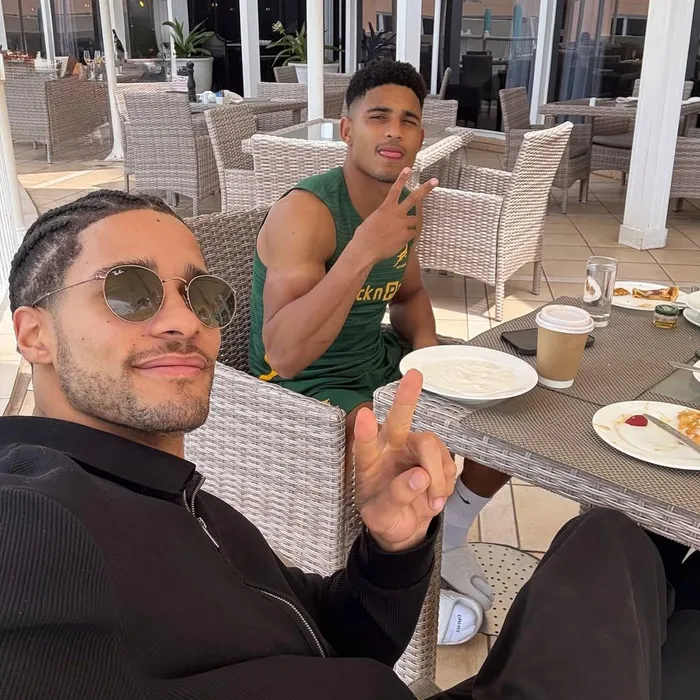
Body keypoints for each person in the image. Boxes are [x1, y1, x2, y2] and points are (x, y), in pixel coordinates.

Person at [2, 190, 697, 700]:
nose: (183, 320)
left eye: (202, 295)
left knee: (626, 545)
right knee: (620, 544)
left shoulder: (179, 500)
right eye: (129, 290)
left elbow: (341, 638)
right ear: (34, 334)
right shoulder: (39, 515)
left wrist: (392, 548)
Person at [249, 59, 509, 611]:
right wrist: (364, 247)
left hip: (373, 358)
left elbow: (409, 297)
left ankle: (450, 530)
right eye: (378, 117)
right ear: (347, 130)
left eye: (408, 121)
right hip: (303, 386)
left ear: (420, 137)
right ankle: (403, 580)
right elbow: (284, 354)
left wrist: (429, 362)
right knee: (406, 457)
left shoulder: (404, 209)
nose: (394, 131)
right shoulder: (308, 212)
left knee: (505, 409)